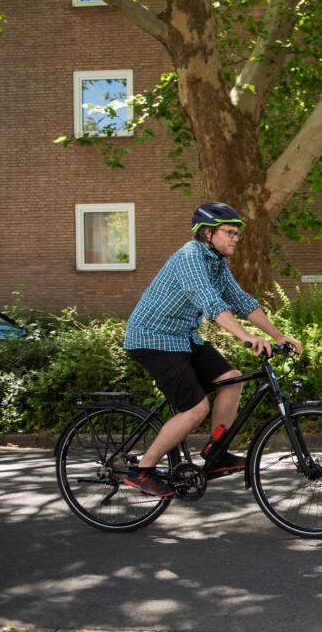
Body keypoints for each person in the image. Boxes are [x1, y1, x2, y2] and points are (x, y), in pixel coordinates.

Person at [121, 202, 302, 497]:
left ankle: (215, 453)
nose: (235, 238)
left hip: (183, 337)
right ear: (208, 233)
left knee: (232, 381)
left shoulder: (216, 263)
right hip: (152, 338)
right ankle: (143, 470)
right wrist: (246, 337)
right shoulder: (190, 257)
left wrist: (279, 335)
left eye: (237, 234)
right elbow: (211, 303)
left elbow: (241, 301)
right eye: (230, 232)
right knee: (195, 409)